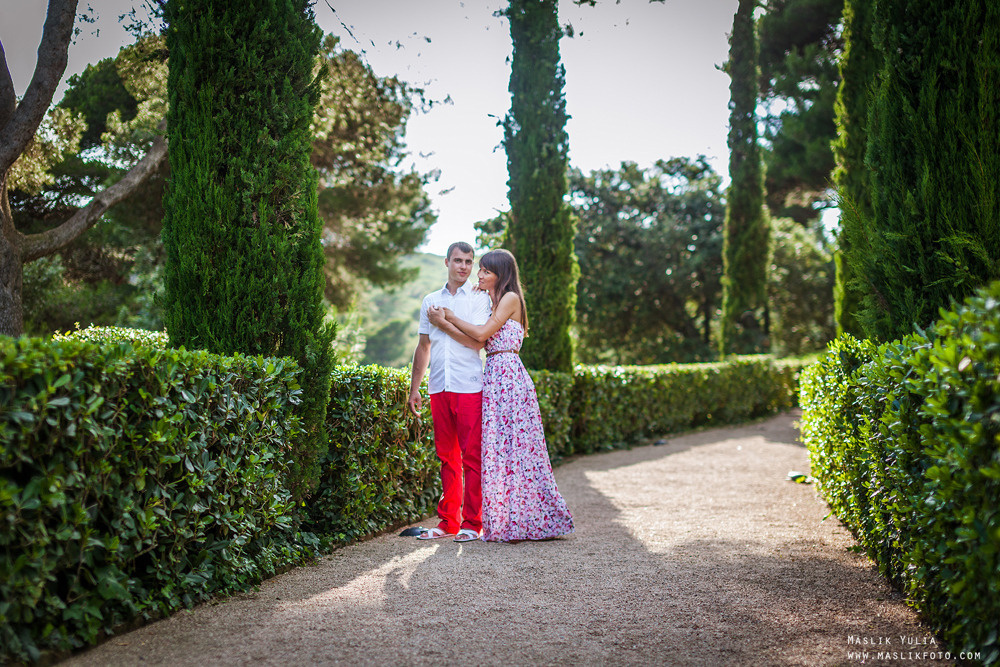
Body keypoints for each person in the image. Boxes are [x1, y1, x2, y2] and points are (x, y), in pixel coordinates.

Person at [427, 248, 574, 542]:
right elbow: (475, 342)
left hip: (508, 376)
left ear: (500, 275)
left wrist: (448, 319)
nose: (478, 274)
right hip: (494, 375)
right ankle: (511, 519)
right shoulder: (492, 300)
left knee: (519, 451)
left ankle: (536, 519)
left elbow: (481, 335)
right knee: (501, 452)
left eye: (485, 271)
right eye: (479, 270)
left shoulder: (509, 299)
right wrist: (448, 321)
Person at [408, 242, 492, 543]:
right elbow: (423, 346)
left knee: (472, 457)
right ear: (447, 262)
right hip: (439, 387)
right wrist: (415, 387)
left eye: (469, 262)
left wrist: (443, 321)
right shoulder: (430, 300)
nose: (464, 267)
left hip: (469, 386)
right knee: (447, 457)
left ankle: (473, 523)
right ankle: (448, 523)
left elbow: (476, 342)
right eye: (458, 260)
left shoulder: (480, 299)